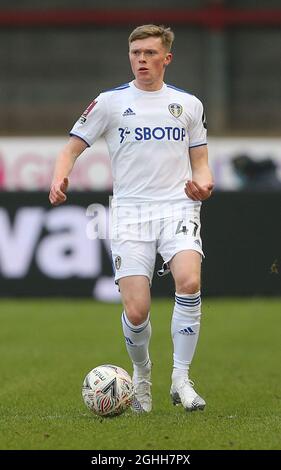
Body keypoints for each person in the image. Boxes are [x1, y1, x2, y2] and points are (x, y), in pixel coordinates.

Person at [49, 24, 214, 413]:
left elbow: (202, 165)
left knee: (189, 280)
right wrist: (59, 177)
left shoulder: (188, 104)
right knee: (137, 310)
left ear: (166, 58)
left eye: (150, 53)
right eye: (136, 53)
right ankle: (141, 376)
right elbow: (70, 149)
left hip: (177, 206)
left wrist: (203, 187)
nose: (142, 59)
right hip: (130, 212)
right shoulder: (109, 102)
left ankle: (180, 378)